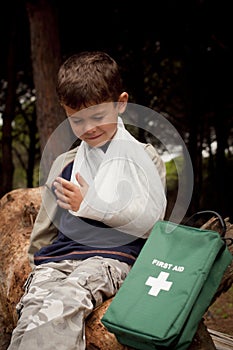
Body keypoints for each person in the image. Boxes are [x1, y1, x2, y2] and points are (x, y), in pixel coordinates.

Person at [7, 51, 167, 350]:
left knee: (66, 302)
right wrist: (35, 265)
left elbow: (149, 223)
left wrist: (90, 203)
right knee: (32, 313)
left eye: (97, 116)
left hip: (110, 259)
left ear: (121, 103)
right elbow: (46, 227)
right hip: (58, 259)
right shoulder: (66, 164)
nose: (88, 128)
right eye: (76, 120)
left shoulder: (143, 158)